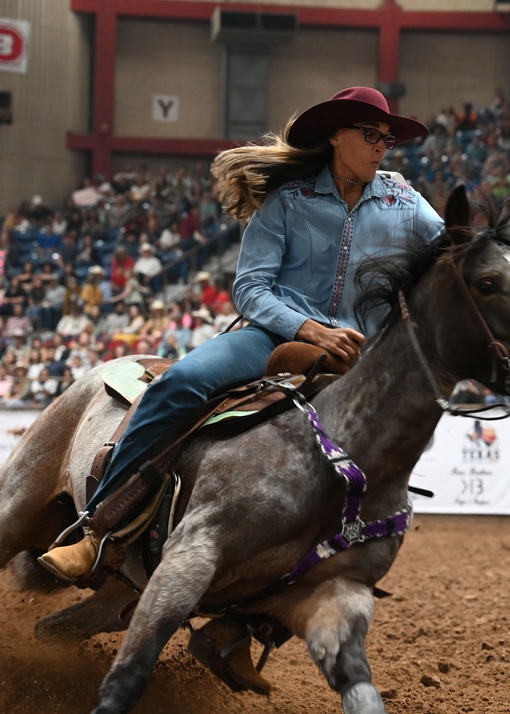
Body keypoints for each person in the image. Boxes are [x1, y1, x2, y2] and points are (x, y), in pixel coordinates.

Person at [39, 87, 444, 581]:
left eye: (388, 139)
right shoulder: (288, 200)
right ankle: (98, 530)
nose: (382, 146)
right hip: (272, 337)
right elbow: (251, 288)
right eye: (371, 135)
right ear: (337, 136)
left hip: (359, 355)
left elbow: (455, 255)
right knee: (178, 384)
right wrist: (308, 328)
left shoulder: (405, 199)